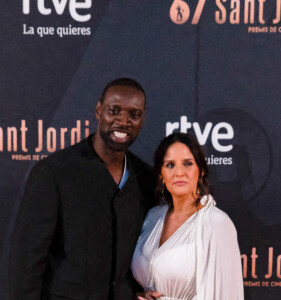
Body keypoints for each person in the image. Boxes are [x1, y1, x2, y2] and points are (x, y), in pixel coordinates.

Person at [9, 78, 155, 300]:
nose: (123, 121)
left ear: (143, 119)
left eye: (134, 114)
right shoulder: (54, 172)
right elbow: (26, 262)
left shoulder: (146, 178)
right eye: (114, 111)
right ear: (98, 110)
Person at [131, 133, 244, 300]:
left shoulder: (217, 223)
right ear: (161, 174)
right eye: (170, 165)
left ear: (202, 171)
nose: (179, 173)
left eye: (187, 164)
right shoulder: (152, 217)